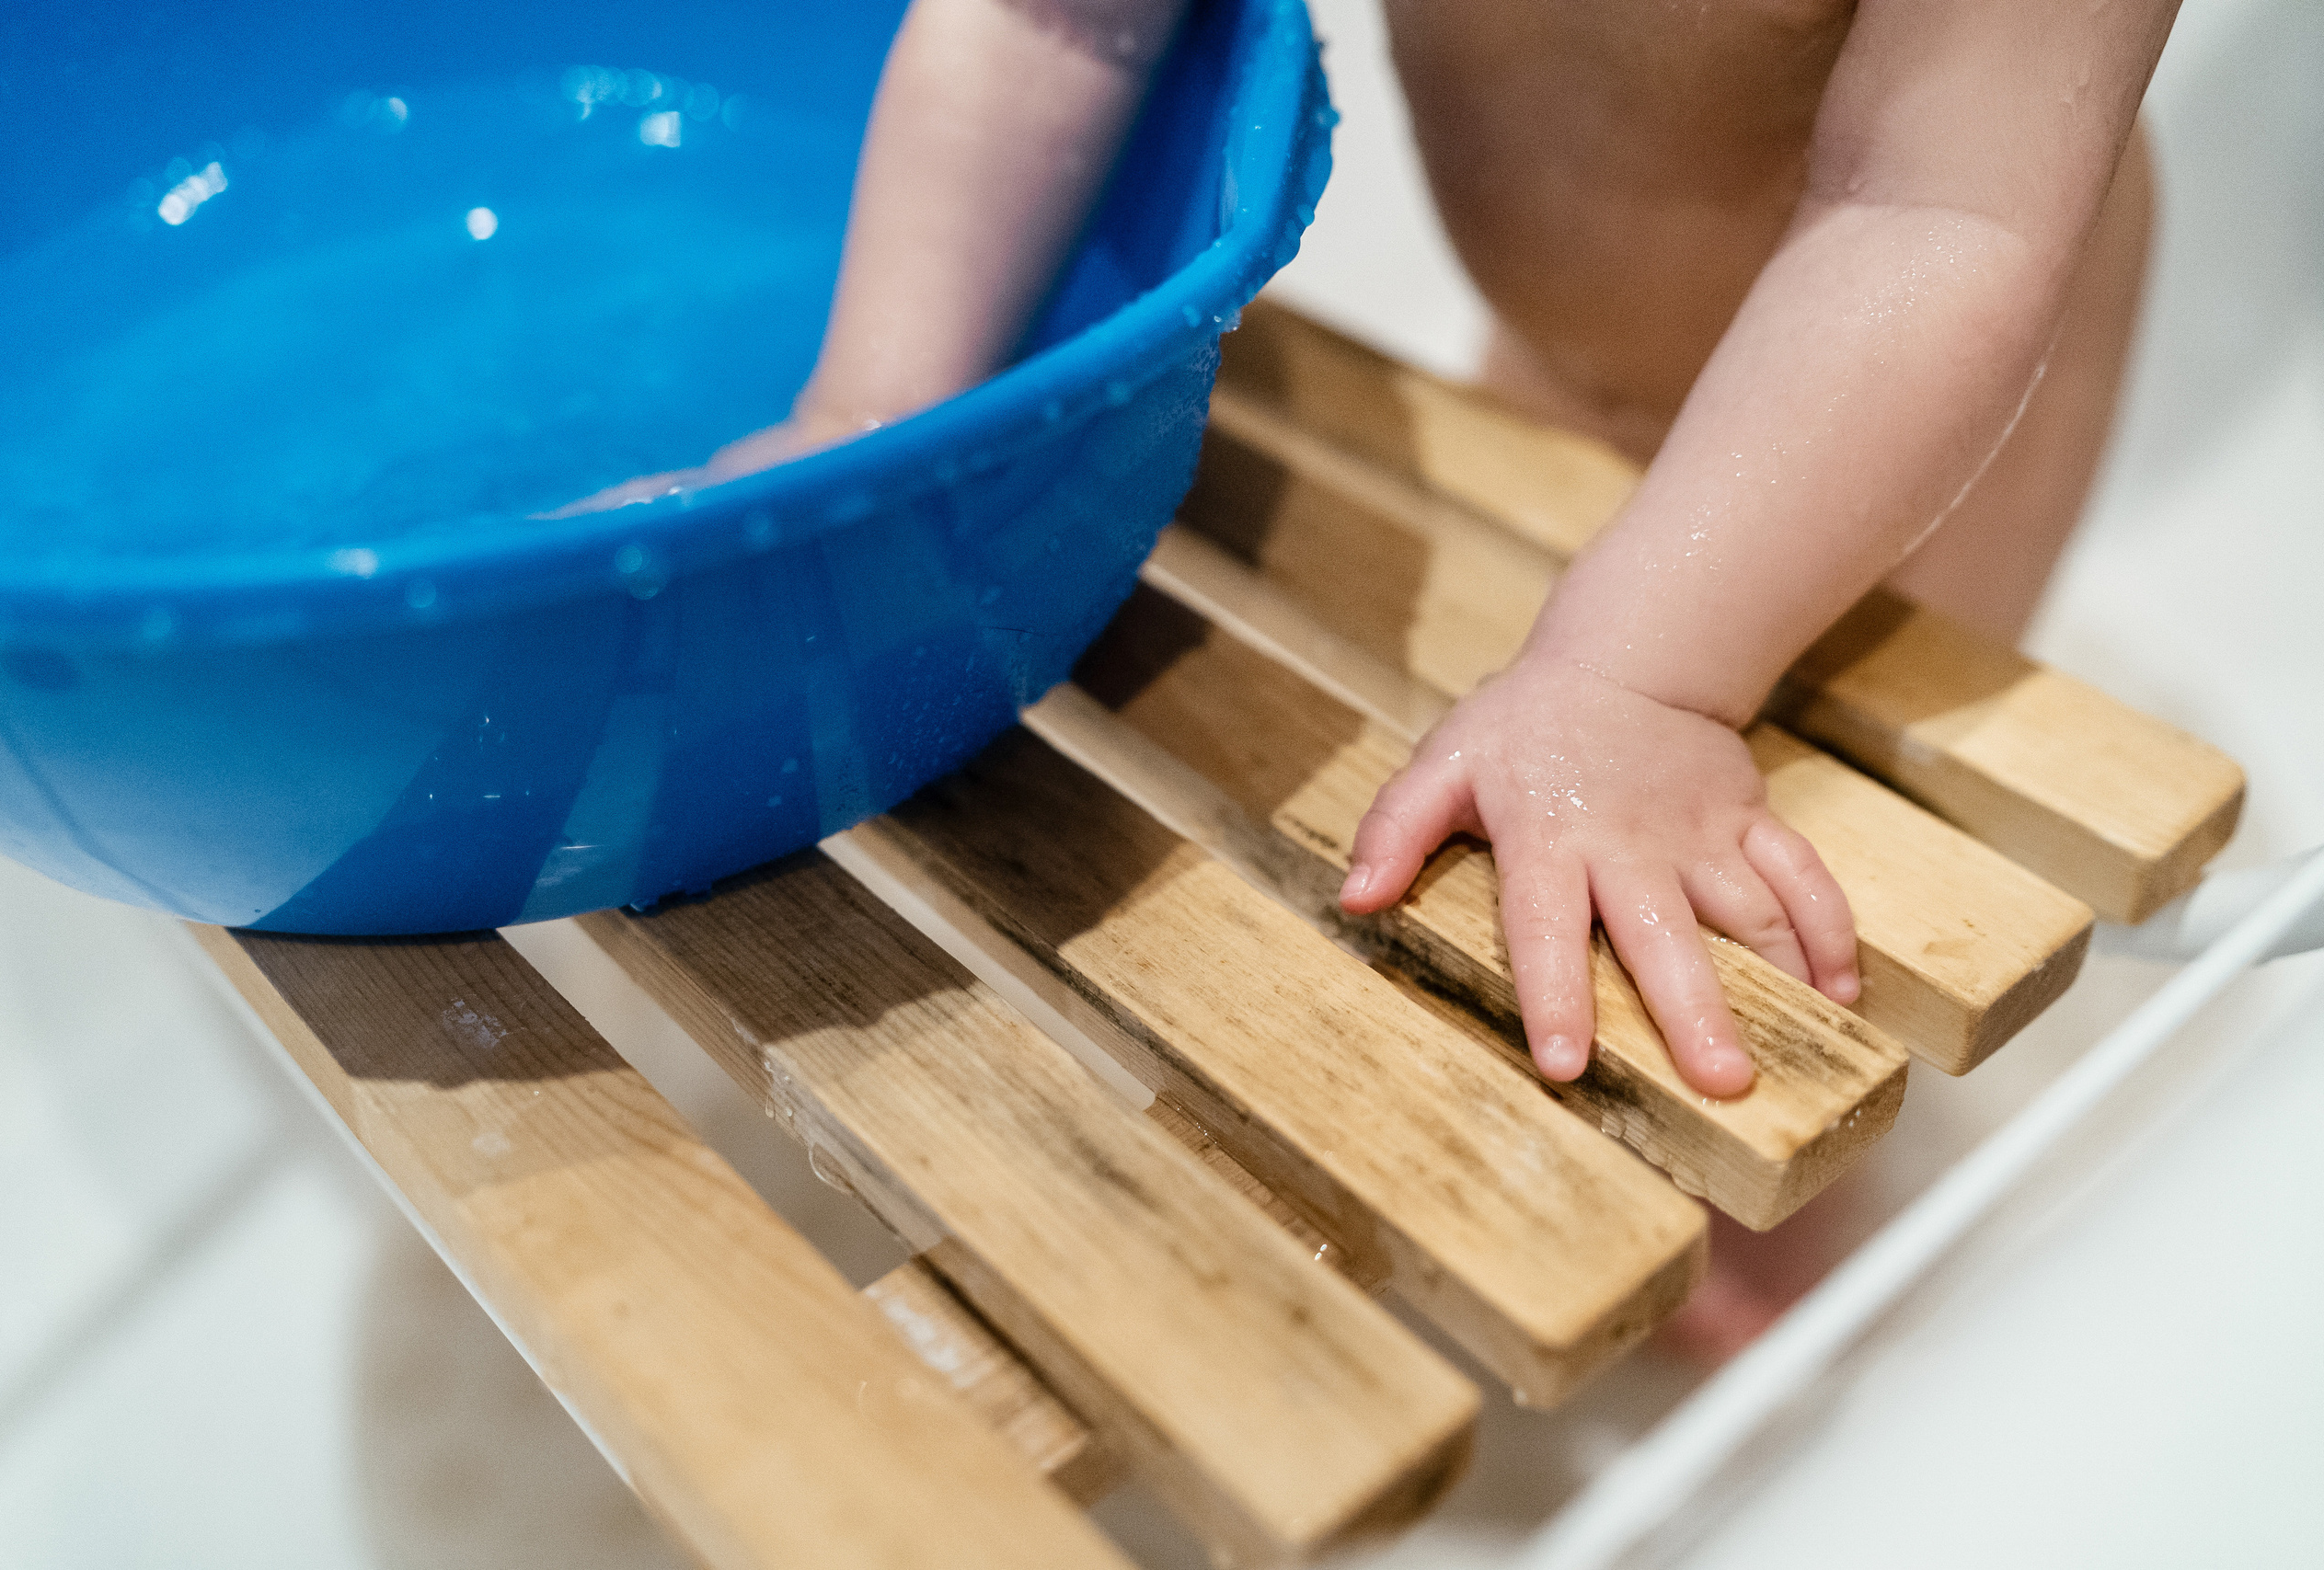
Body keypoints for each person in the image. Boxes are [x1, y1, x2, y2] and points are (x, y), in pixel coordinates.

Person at [565, 0, 2172, 1106]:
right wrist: (867, 409)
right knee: (1512, 881)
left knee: (1817, 896)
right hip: (1572, 329)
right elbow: (1057, 21)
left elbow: (1938, 217)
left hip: (1910, 421)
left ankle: (1804, 1215)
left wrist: (1636, 675)